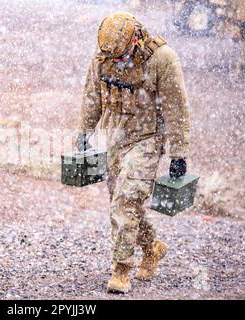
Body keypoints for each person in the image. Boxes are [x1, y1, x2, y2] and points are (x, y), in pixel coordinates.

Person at [76, 12, 190, 293]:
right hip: (115, 137)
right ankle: (152, 248)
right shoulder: (104, 55)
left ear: (136, 39)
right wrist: (84, 133)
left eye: (121, 56)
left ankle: (121, 269)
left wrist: (179, 153)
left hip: (147, 139)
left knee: (125, 202)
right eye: (111, 57)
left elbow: (177, 109)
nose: (116, 62)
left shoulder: (163, 59)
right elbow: (92, 95)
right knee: (125, 202)